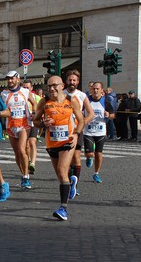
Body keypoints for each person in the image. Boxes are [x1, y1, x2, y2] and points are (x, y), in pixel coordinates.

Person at [32, 76, 84, 221]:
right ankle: (71, 182)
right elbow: (35, 121)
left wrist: (76, 134)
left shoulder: (71, 101)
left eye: (54, 86)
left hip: (67, 141)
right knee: (61, 176)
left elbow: (81, 120)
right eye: (49, 86)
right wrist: (43, 123)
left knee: (62, 171)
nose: (52, 89)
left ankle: (63, 209)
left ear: (62, 86)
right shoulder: (44, 101)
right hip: (52, 143)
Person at [0, 71, 37, 189]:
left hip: (24, 125)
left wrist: (34, 113)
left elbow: (34, 103)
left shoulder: (25, 91)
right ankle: (23, 173)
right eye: (8, 79)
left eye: (12, 79)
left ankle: (26, 177)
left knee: (22, 150)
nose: (10, 81)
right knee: (17, 154)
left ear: (18, 79)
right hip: (11, 126)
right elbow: (2, 108)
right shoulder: (4, 94)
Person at [64, 69, 94, 197]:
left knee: (76, 156)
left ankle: (74, 185)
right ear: (66, 81)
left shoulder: (82, 95)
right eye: (70, 80)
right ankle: (68, 181)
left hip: (76, 130)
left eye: (74, 80)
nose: (72, 82)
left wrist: (82, 123)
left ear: (78, 82)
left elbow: (91, 113)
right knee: (66, 159)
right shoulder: (61, 94)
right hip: (63, 130)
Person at [83, 81, 114, 183]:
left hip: (100, 131)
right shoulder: (87, 101)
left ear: (102, 91)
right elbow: (80, 112)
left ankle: (96, 173)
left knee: (99, 154)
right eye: (94, 89)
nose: (95, 90)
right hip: (88, 131)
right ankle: (89, 157)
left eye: (98, 89)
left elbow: (113, 115)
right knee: (90, 154)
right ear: (91, 90)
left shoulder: (105, 102)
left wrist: (108, 115)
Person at [22, 79, 40, 174]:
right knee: (26, 145)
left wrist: (35, 114)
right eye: (24, 87)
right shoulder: (20, 97)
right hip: (24, 123)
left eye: (27, 88)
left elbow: (41, 109)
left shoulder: (36, 98)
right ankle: (28, 160)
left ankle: (32, 163)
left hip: (33, 122)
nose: (26, 89)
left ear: (31, 88)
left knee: (32, 142)